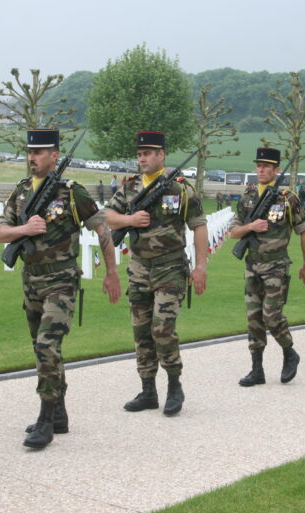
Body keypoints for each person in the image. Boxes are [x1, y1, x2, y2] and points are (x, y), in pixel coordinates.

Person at [0, 129, 121, 449]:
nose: (32, 158)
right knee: (43, 349)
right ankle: (60, 412)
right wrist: (25, 228)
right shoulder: (21, 191)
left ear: (54, 156)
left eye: (39, 153)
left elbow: (102, 230)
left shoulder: (72, 192)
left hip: (62, 281)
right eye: (30, 153)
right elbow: (0, 233)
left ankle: (46, 417)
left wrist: (112, 272)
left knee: (46, 346)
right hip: (31, 281)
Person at [104, 131, 208, 416]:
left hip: (170, 268)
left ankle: (174, 385)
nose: (142, 158)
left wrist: (200, 267)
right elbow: (106, 216)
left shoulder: (180, 188)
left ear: (161, 155)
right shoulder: (129, 187)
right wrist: (129, 219)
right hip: (138, 269)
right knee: (141, 332)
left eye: (148, 153)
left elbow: (199, 225)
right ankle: (148, 390)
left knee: (162, 328)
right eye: (139, 154)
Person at [229, 148, 305, 387]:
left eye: (267, 166)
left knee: (271, 316)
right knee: (254, 319)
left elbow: (303, 231)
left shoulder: (287, 198)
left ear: (277, 170)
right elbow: (234, 232)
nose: (261, 170)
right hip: (252, 266)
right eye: (259, 165)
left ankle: (289, 352)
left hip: (276, 266)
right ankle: (257, 370)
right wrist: (250, 227)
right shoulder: (247, 198)